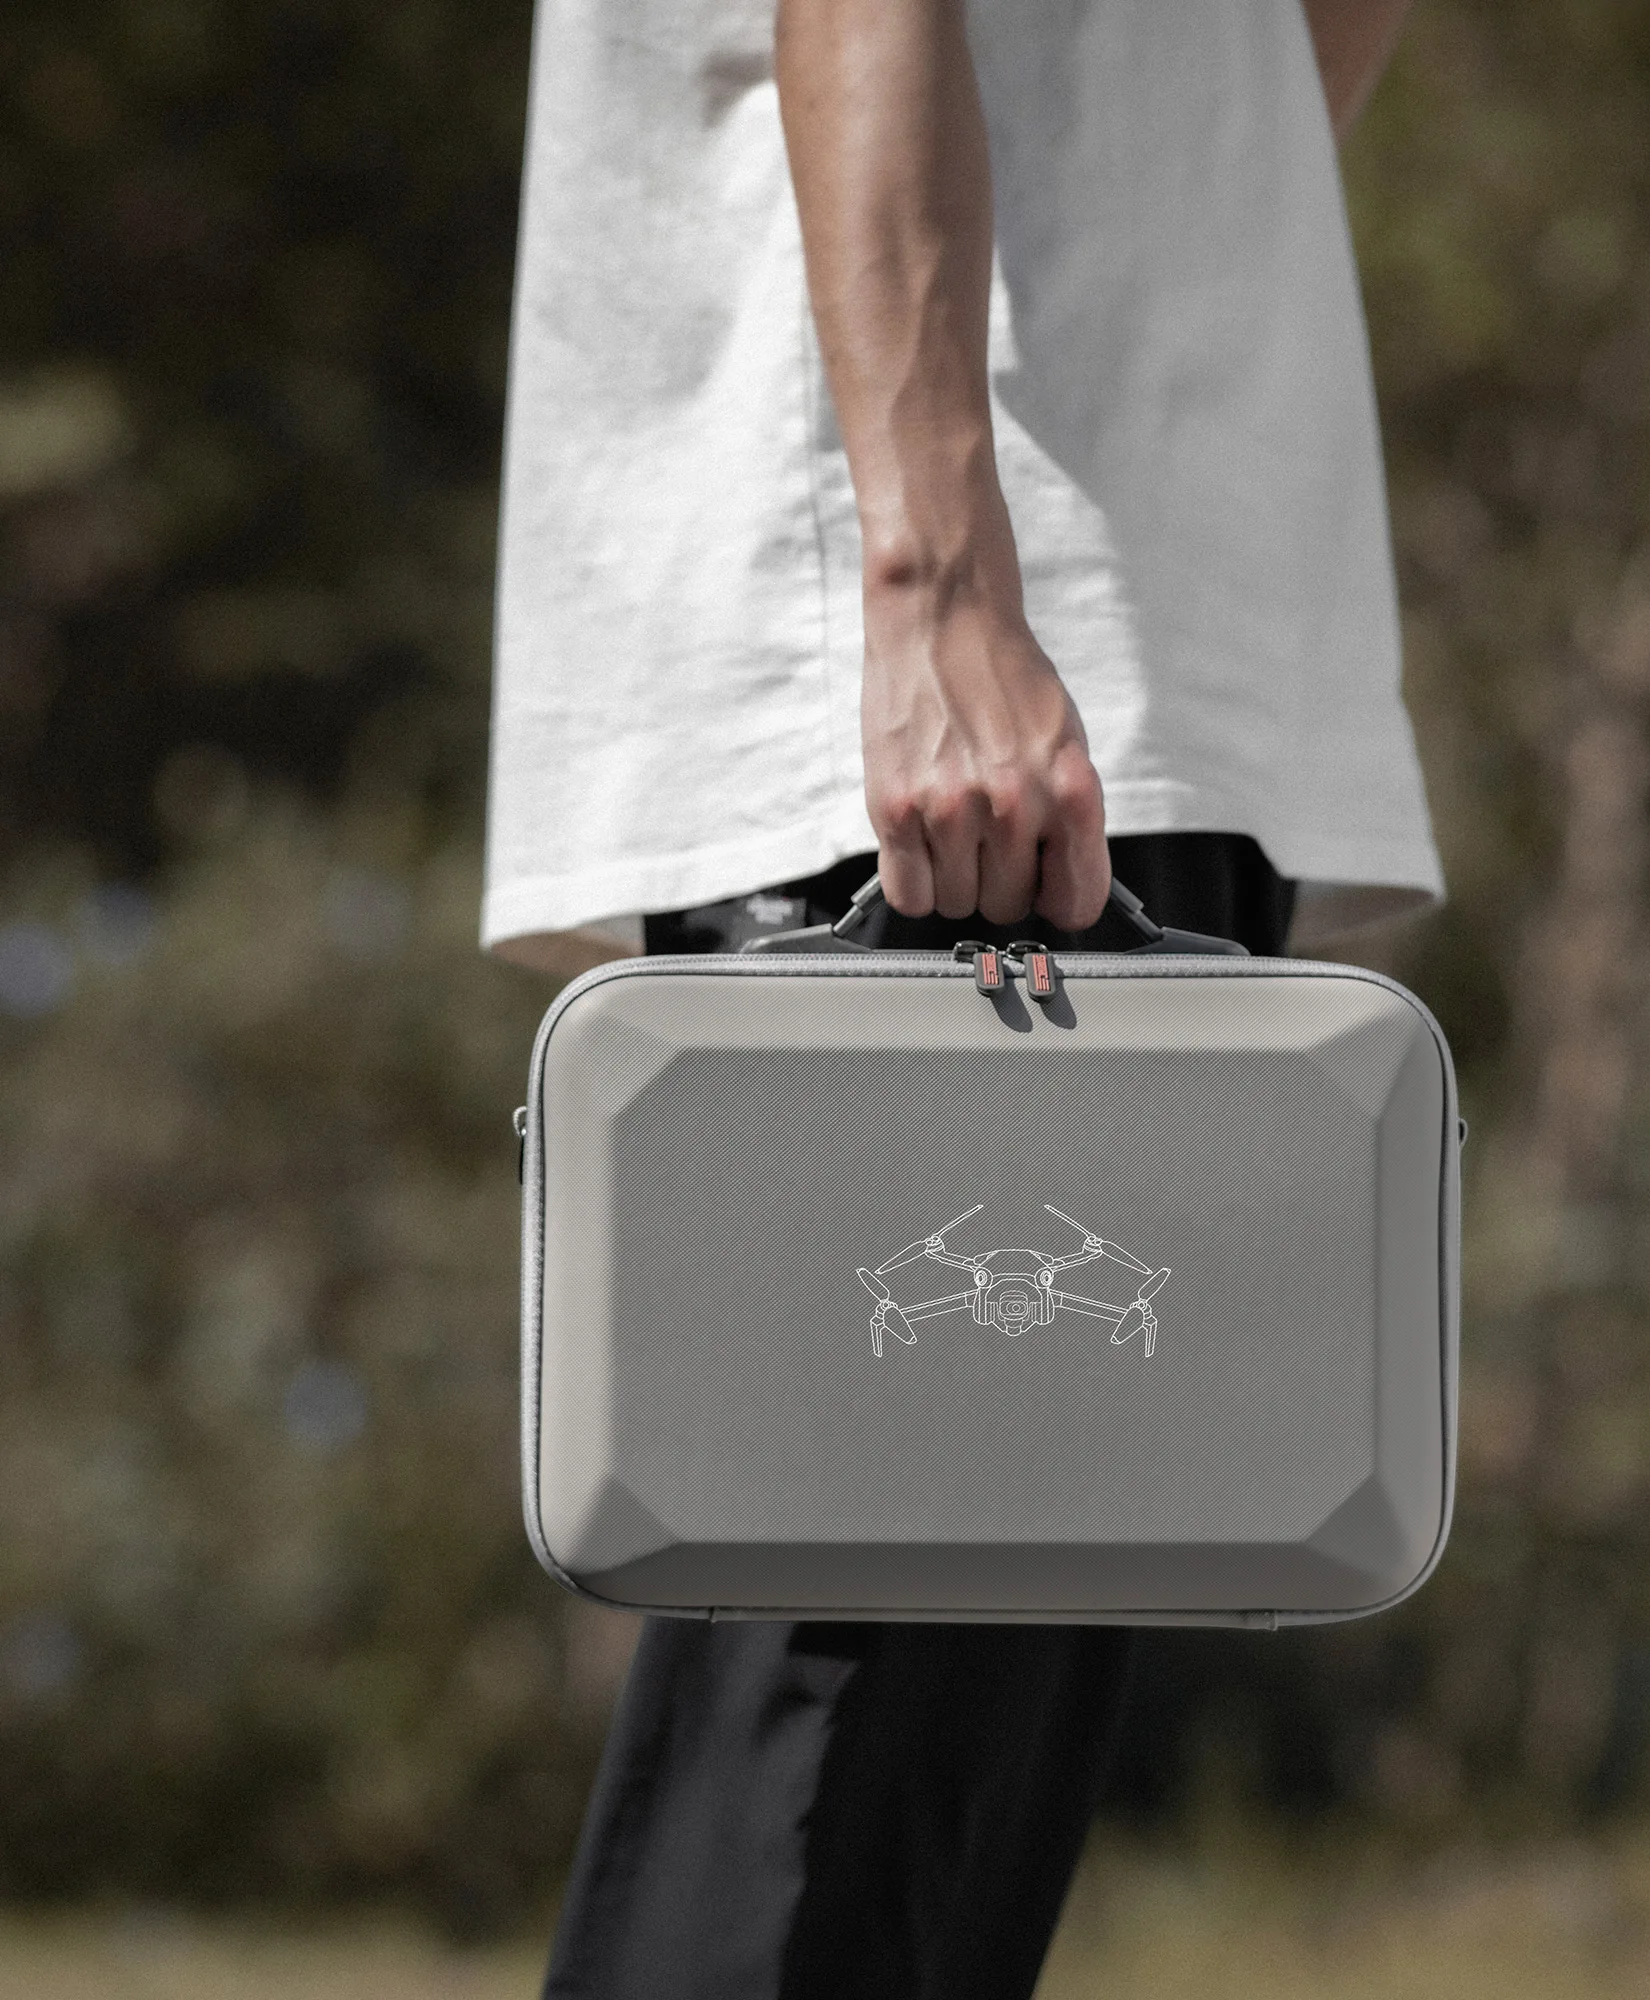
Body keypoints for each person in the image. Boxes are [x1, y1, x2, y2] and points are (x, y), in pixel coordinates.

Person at [483, 1, 1442, 1992]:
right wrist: (937, 587)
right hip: (980, 639)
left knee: (919, 1835)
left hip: (1102, 613)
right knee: (831, 1806)